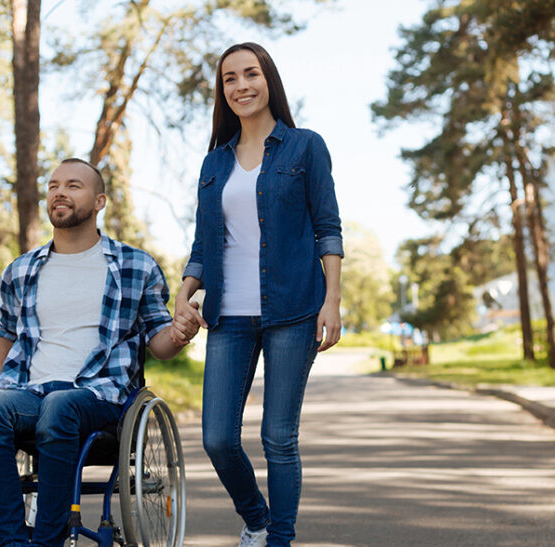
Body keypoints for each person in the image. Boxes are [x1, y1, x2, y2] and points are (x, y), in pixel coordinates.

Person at [0, 158, 198, 547]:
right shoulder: (20, 270)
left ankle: (47, 541)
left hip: (100, 395)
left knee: (61, 405)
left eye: (74, 186)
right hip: (31, 393)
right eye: (54, 186)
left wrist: (179, 335)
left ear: (99, 201)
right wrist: (1, 390)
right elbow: (2, 336)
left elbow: (158, 343)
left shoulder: (135, 266)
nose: (60, 192)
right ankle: (13, 541)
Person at [171, 42, 343, 547]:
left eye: (251, 74)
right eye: (230, 79)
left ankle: (278, 541)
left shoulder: (305, 146)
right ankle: (259, 519)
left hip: (293, 308)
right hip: (227, 313)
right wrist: (184, 294)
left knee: (278, 439)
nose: (241, 86)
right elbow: (205, 243)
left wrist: (332, 299)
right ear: (222, 91)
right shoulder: (213, 164)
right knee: (218, 439)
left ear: (269, 79)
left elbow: (327, 228)